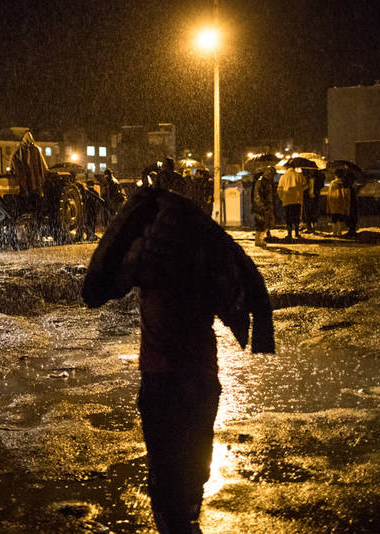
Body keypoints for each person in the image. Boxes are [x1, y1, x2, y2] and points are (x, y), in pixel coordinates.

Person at [82, 187, 275, 534]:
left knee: (167, 469)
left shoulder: (149, 261)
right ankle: (184, 517)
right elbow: (247, 283)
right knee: (192, 466)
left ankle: (176, 521)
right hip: (200, 379)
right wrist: (258, 331)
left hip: (163, 380)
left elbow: (99, 285)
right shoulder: (204, 258)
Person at [277, 166, 308, 241]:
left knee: (288, 217)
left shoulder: (283, 177)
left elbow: (279, 188)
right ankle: (297, 233)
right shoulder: (299, 175)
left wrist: (282, 197)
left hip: (286, 199)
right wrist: (300, 190)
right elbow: (306, 185)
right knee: (296, 216)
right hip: (297, 199)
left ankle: (289, 233)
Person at [251, 166, 277, 247]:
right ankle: (258, 240)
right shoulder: (261, 181)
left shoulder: (266, 181)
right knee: (260, 223)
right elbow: (257, 195)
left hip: (265, 206)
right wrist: (262, 205)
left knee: (265, 223)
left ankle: (260, 239)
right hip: (261, 207)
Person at [326, 169, 351, 236]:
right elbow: (347, 195)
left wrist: (328, 204)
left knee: (334, 218)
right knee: (341, 218)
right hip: (342, 203)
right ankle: (339, 232)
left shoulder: (332, 183)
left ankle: (334, 232)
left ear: (336, 175)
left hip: (333, 203)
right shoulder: (345, 183)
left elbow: (329, 194)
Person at [302, 168, 325, 233]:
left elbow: (321, 185)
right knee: (307, 212)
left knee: (314, 211)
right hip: (307, 197)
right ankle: (309, 226)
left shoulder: (318, 178)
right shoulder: (306, 177)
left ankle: (313, 225)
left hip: (315, 196)